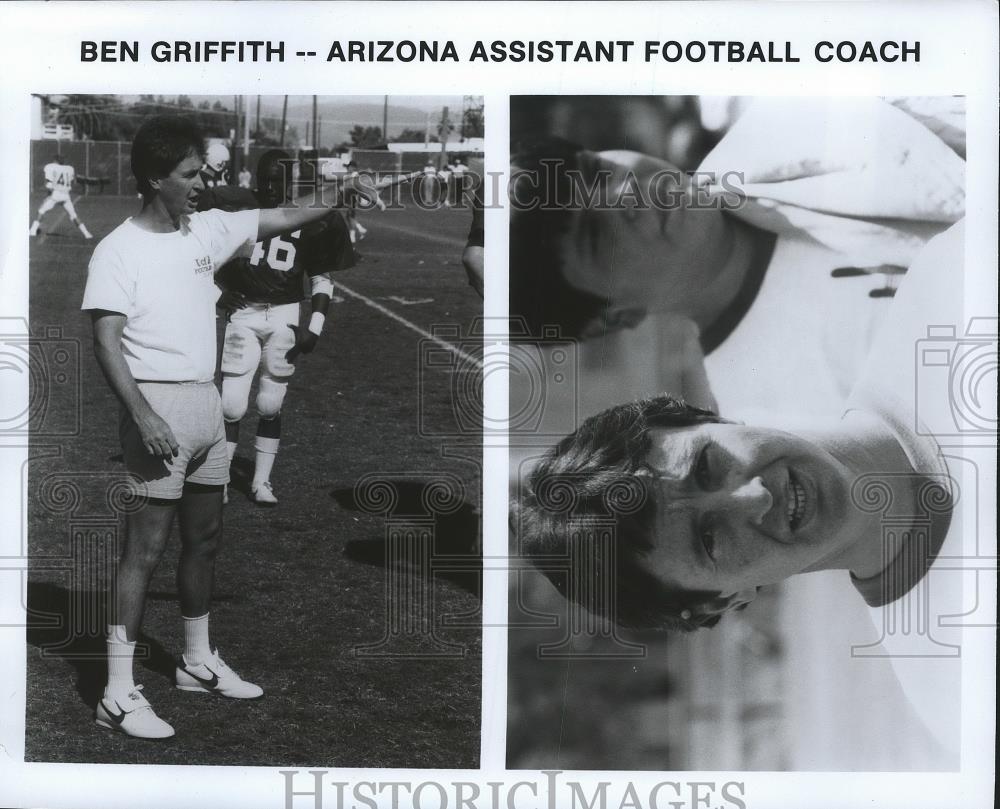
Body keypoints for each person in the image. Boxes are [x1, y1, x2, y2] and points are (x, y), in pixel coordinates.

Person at [515, 221, 991, 759]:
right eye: (710, 539)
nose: (755, 498)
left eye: (709, 466)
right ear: (720, 603)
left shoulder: (959, 289)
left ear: (703, 416)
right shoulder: (961, 695)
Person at [81, 115, 348, 739]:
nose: (204, 183)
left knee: (206, 540)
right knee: (143, 552)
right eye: (191, 174)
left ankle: (196, 663)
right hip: (159, 410)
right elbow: (105, 342)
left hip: (205, 406)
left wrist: (336, 197)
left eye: (204, 172)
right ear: (155, 178)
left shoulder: (206, 227)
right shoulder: (117, 249)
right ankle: (117, 692)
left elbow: (282, 219)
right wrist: (142, 414)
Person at [509, 97, 966, 424]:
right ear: (609, 318)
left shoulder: (796, 122)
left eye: (597, 171)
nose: (625, 192)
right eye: (593, 231)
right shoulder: (781, 422)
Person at [198, 149, 355, 506]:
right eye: (265, 181)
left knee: (271, 404)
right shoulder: (237, 213)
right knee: (231, 405)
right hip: (246, 311)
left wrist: (314, 327)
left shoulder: (306, 215)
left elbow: (321, 276)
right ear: (254, 180)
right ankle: (220, 478)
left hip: (284, 313)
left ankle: (261, 482)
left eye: (278, 181)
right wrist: (216, 295)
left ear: (290, 182)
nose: (271, 188)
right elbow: (198, 259)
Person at [29, 154, 93, 239]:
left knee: (41, 211)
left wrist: (49, 193)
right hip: (66, 195)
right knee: (74, 215)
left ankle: (33, 231)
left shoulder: (51, 167)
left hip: (56, 194)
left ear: (55, 161)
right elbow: (70, 181)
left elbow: (49, 184)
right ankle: (87, 234)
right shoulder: (69, 169)